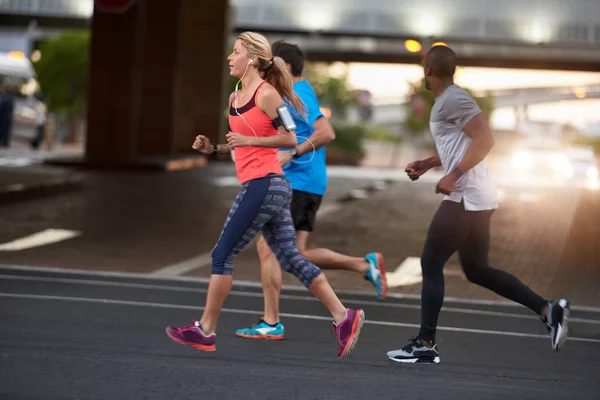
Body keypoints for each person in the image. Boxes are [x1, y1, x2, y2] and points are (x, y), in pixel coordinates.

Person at [165, 31, 365, 358]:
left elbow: (288, 138)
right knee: (289, 257)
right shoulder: (235, 97)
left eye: (236, 52)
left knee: (222, 255)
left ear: (253, 60)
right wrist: (211, 148)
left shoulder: (268, 94)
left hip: (266, 185)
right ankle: (344, 317)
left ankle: (206, 330)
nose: (229, 58)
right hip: (264, 184)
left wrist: (251, 142)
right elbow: (239, 148)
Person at [386, 45, 570, 364]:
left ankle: (425, 343)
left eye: (422, 63)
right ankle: (548, 309)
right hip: (477, 195)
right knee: (478, 271)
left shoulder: (455, 98)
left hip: (467, 196)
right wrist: (430, 163)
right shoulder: (447, 101)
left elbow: (485, 139)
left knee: (430, 263)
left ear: (428, 69)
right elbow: (461, 144)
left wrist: (454, 175)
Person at [234, 41, 386, 341]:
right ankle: (362, 265)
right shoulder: (288, 93)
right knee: (294, 252)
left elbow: (326, 132)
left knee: (269, 248)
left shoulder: (298, 91)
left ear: (286, 68)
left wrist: (294, 153)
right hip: (303, 182)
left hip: (299, 182)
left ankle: (271, 321)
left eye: (270, 63)